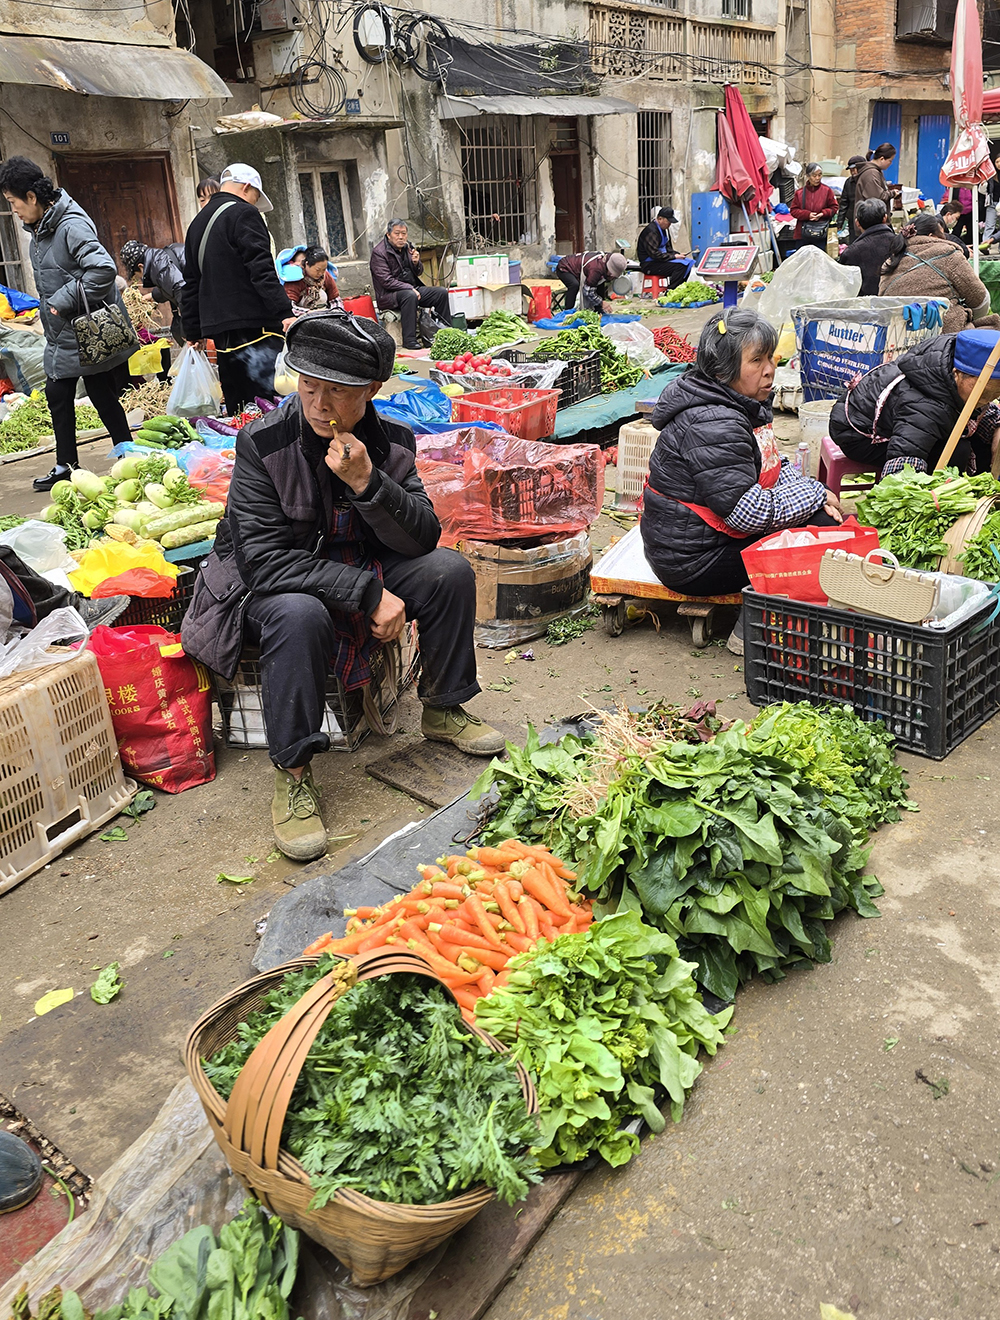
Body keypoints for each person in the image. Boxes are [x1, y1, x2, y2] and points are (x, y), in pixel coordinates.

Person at [180, 310, 505, 861]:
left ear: (372, 390)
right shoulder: (264, 443)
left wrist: (368, 483)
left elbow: (422, 536)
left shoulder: (392, 442)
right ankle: (293, 772)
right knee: (299, 615)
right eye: (308, 386)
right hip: (269, 584)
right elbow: (262, 562)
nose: (319, 404)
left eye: (337, 391)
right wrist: (367, 593)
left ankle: (444, 707)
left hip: (358, 561)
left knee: (447, 571)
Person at [640, 308, 843, 655]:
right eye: (756, 360)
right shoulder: (713, 422)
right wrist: (813, 496)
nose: (770, 369)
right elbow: (746, 513)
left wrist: (815, 492)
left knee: (822, 518)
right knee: (819, 535)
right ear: (723, 371)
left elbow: (771, 465)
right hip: (692, 561)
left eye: (771, 357)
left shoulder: (737, 403)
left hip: (701, 542)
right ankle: (751, 627)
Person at [0, 156, 135, 493]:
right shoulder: (41, 230)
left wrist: (61, 301)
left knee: (69, 393)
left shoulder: (69, 225)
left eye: (13, 202)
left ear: (32, 196)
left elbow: (103, 270)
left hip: (83, 330)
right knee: (87, 393)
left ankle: (88, 461)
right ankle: (110, 456)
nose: (13, 210)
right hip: (65, 332)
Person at [180, 164, 293, 415]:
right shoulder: (244, 213)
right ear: (247, 187)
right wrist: (284, 312)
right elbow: (261, 268)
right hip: (255, 327)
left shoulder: (197, 223)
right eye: (255, 197)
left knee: (239, 407)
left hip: (221, 333)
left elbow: (191, 281)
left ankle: (243, 440)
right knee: (268, 404)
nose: (254, 203)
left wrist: (193, 330)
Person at [829, 328, 1000, 477]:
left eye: (996, 393)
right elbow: (906, 458)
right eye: (983, 392)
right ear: (957, 373)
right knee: (957, 451)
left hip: (906, 425)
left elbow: (982, 412)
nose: (986, 400)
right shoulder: (924, 407)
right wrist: (916, 493)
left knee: (984, 442)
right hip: (858, 435)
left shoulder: (951, 362)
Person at [879, 213, 999, 334]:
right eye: (943, 234)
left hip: (897, 335)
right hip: (947, 336)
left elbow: (882, 301)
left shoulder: (890, 262)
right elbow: (980, 300)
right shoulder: (949, 254)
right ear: (932, 236)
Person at [369, 219, 452, 350]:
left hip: (411, 289)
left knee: (441, 293)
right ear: (388, 235)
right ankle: (409, 340)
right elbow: (386, 281)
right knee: (409, 295)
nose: (401, 237)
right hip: (388, 296)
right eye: (397, 233)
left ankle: (446, 332)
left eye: (403, 233)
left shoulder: (408, 247)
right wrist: (409, 288)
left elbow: (418, 272)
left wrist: (416, 262)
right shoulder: (379, 253)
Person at [120, 238, 186, 342]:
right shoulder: (161, 257)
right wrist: (153, 296)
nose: (141, 279)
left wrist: (191, 329)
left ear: (141, 267)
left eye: (138, 276)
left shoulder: (158, 266)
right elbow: (171, 283)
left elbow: (181, 291)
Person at [838, 198, 898, 295]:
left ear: (857, 223)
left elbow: (845, 287)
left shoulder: (851, 253)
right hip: (898, 301)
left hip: (864, 303)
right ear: (885, 218)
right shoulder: (901, 244)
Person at [635, 208, 694, 289]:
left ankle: (680, 289)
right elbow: (654, 254)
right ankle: (672, 290)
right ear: (660, 219)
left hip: (659, 261)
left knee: (688, 264)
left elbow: (667, 248)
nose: (669, 224)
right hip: (649, 264)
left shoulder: (663, 231)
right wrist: (674, 257)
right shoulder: (651, 231)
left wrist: (677, 254)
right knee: (680, 266)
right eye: (668, 221)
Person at [555, 251, 628, 313]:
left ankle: (598, 310)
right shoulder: (595, 269)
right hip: (565, 267)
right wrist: (601, 302)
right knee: (574, 285)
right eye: (612, 273)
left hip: (580, 267)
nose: (612, 276)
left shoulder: (609, 259)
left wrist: (600, 303)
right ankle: (567, 311)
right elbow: (587, 291)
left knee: (600, 281)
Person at [282, 245, 343, 313]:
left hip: (325, 313)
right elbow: (290, 307)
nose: (321, 273)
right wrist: (309, 313)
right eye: (317, 270)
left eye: (323, 269)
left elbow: (335, 300)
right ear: (307, 264)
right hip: (303, 316)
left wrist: (336, 312)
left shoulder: (326, 276)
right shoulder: (295, 279)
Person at [789, 163, 837, 249]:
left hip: (821, 232)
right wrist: (807, 215)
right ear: (808, 176)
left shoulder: (827, 191)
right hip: (803, 233)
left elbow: (834, 208)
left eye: (819, 175)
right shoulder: (800, 193)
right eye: (814, 176)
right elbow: (793, 210)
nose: (817, 178)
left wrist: (823, 214)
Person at [853, 144, 896, 227]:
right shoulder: (871, 174)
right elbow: (877, 198)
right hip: (870, 225)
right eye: (890, 160)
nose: (891, 163)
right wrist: (892, 193)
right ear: (882, 159)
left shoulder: (876, 172)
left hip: (874, 224)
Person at [836, 156, 867, 244]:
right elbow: (844, 203)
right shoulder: (848, 182)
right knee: (854, 243)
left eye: (854, 169)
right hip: (853, 220)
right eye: (851, 170)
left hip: (867, 219)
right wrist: (840, 222)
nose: (853, 172)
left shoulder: (867, 180)